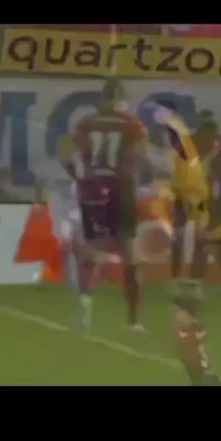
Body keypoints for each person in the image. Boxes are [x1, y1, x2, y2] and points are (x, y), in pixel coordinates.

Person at [62, 79, 150, 332]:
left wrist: (77, 175)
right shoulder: (133, 125)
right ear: (122, 99)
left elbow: (65, 151)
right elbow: (142, 156)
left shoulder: (87, 123)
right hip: (121, 189)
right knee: (130, 253)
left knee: (92, 248)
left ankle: (85, 303)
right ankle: (133, 321)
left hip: (93, 187)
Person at [174, 286, 221, 386]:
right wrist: (207, 366)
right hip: (197, 361)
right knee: (208, 380)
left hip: (190, 361)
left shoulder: (184, 328)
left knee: (199, 381)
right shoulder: (197, 327)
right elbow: (201, 349)